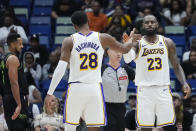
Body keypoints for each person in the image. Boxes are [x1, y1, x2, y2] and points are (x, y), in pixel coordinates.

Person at [45, 10, 141, 131]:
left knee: (70, 127)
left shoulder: (69, 41)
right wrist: (130, 40)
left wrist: (50, 92)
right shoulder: (103, 38)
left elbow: (60, 68)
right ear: (88, 22)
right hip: (94, 89)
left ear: (74, 26)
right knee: (94, 127)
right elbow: (125, 50)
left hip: (76, 87)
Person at [123, 15, 191, 131]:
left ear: (157, 25)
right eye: (147, 22)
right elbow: (127, 59)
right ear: (143, 26)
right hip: (144, 90)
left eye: (152, 22)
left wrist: (184, 82)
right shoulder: (138, 43)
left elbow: (176, 65)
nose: (150, 24)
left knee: (169, 125)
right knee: (145, 127)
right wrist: (127, 46)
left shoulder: (167, 42)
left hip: (163, 88)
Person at [101, 48, 135, 131]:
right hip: (106, 107)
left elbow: (139, 82)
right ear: (108, 52)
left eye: (120, 51)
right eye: (116, 51)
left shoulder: (127, 69)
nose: (119, 54)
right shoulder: (102, 69)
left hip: (121, 107)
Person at [2, 32, 29, 130]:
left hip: (8, 99)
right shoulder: (13, 59)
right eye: (20, 44)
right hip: (15, 99)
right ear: (13, 44)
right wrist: (19, 104)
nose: (22, 46)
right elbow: (14, 83)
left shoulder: (3, 59)